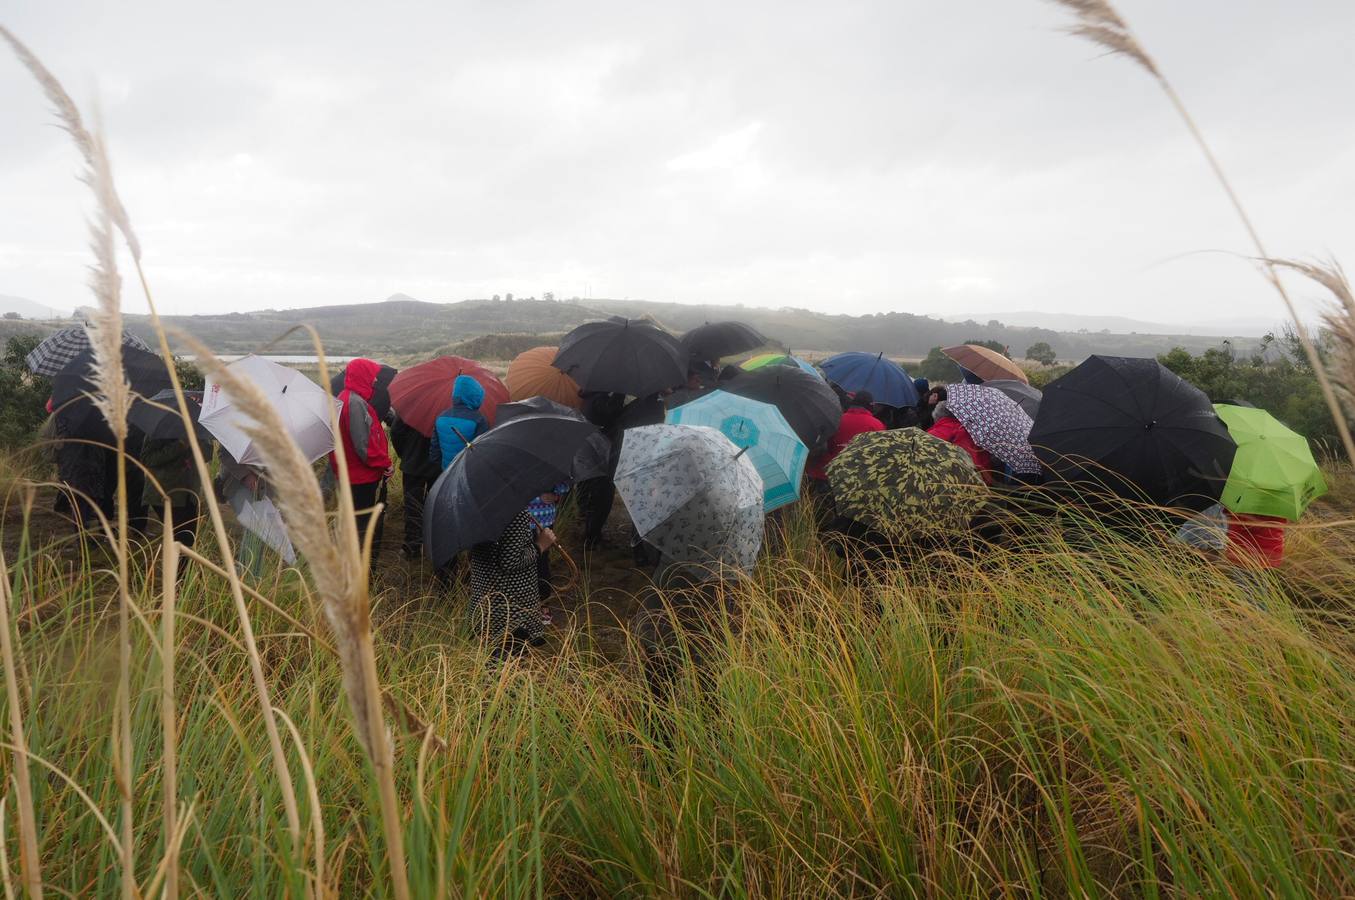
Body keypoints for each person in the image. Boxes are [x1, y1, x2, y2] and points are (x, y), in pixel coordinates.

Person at [469, 509, 556, 658]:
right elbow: (510, 561)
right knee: (507, 666)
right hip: (511, 608)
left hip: (485, 601)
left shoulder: (479, 509)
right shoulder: (515, 513)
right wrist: (541, 545)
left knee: (492, 660)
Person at [332, 358, 393, 558]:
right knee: (362, 523)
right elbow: (363, 445)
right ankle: (360, 567)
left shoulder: (346, 397)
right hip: (360, 477)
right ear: (362, 376)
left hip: (353, 474)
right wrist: (383, 463)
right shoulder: (354, 403)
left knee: (354, 520)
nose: (375, 381)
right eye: (372, 376)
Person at [140, 435, 202, 562]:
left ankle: (183, 576)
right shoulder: (162, 429)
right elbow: (147, 458)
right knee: (180, 537)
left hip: (189, 493)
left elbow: (207, 454)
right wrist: (179, 445)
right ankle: (177, 576)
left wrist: (196, 446)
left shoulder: (197, 428)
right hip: (165, 493)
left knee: (189, 537)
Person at [576, 391, 625, 550]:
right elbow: (611, 414)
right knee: (601, 495)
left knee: (590, 490)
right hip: (600, 453)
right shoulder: (600, 398)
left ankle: (591, 532)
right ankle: (591, 539)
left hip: (589, 450)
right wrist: (620, 394)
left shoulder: (591, 394)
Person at [389, 410, 441, 560]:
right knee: (434, 505)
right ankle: (433, 545)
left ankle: (412, 546)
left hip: (413, 465)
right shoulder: (445, 405)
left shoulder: (411, 406)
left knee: (412, 506)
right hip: (437, 465)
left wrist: (405, 454)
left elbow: (396, 432)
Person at [527, 481, 570, 619]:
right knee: (524, 561)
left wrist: (556, 494)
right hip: (519, 519)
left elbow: (564, 479)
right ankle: (526, 604)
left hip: (543, 519)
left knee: (542, 561)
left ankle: (543, 602)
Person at [430, 374, 488, 470]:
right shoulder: (479, 419)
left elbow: (434, 451)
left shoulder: (441, 417)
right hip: (468, 472)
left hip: (446, 472)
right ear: (476, 395)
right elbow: (482, 452)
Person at [928, 401, 994, 485]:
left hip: (948, 486)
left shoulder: (930, 436)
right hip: (982, 485)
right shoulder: (974, 431)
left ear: (937, 417)